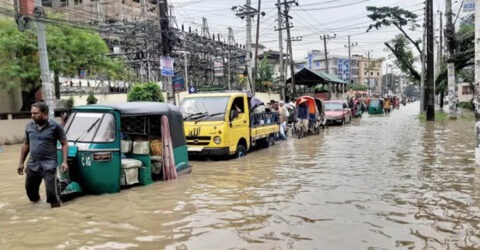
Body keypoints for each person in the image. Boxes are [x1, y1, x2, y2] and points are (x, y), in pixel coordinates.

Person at [18, 102, 69, 208]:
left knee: (52, 197)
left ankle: (56, 214)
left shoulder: (56, 127)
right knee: (31, 194)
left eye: (35, 113)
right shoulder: (29, 127)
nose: (32, 116)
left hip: (49, 165)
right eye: (31, 113)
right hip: (33, 164)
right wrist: (21, 163)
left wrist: (64, 162)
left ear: (44, 112)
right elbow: (26, 144)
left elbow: (64, 144)